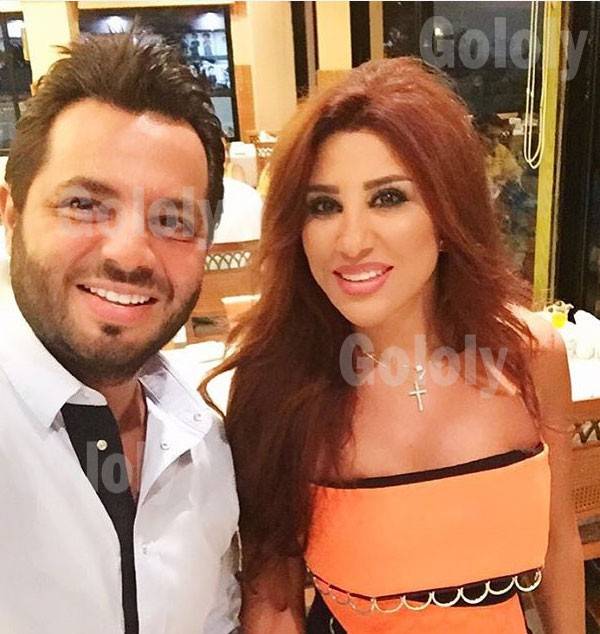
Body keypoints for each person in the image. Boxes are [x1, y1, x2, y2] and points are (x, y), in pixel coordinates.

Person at [201, 57, 584, 633]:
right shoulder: (276, 385)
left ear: (448, 214)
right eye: (324, 206)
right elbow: (274, 603)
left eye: (387, 198)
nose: (352, 241)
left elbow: (558, 544)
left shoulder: (530, 355)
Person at [0, 33, 240, 633]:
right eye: (85, 204)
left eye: (173, 219)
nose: (131, 254)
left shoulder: (204, 445)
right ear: (11, 214)